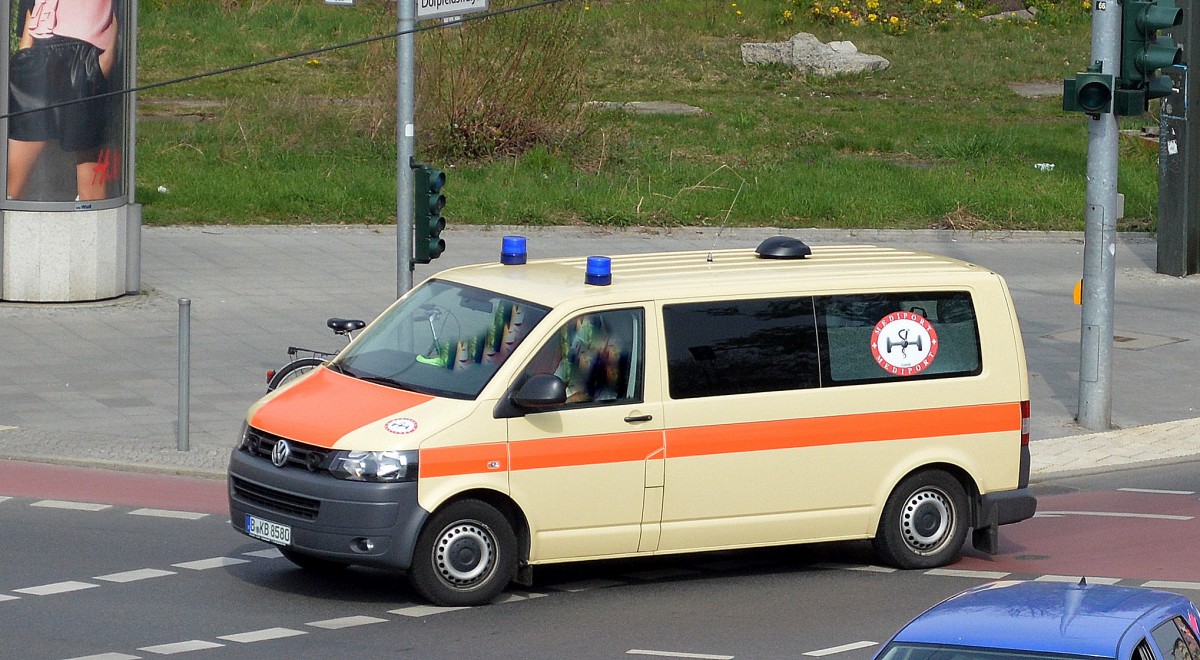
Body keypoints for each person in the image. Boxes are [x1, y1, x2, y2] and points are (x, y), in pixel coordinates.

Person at [7, 0, 119, 201]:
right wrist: (24, 52)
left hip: (85, 52)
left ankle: (92, 230)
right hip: (38, 50)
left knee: (90, 185)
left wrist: (104, 60)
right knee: (11, 184)